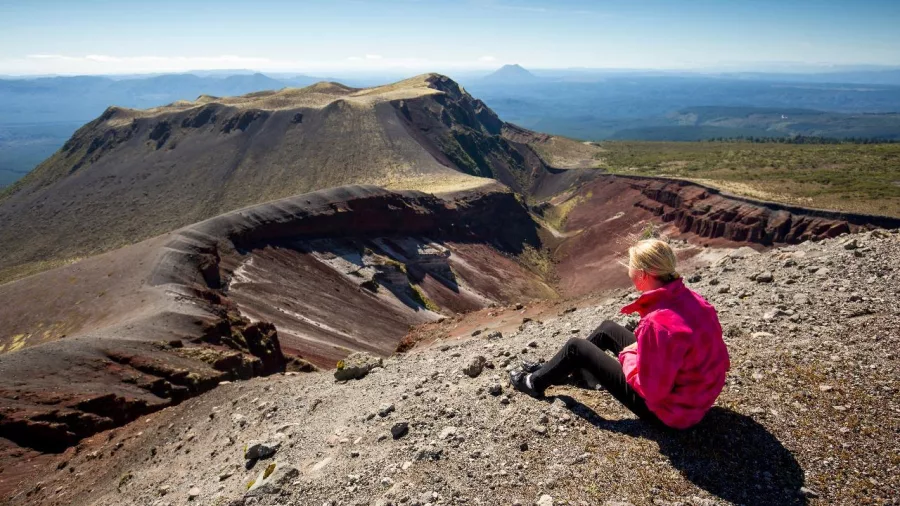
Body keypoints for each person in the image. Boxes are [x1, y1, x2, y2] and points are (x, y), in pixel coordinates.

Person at [509, 238, 730, 429]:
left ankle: (533, 383)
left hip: (670, 414)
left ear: (642, 274)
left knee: (576, 346)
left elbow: (652, 392)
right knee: (607, 329)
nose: (628, 271)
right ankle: (568, 373)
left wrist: (630, 355)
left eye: (631, 266)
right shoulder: (691, 299)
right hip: (694, 398)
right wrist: (642, 351)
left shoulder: (657, 324)